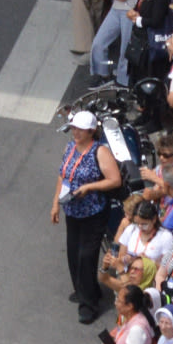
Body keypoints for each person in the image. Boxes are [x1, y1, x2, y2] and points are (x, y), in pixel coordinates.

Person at [56, 109, 124, 323]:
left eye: (80, 129)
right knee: (73, 255)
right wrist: (54, 205)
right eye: (74, 128)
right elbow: (62, 176)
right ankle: (85, 289)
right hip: (73, 210)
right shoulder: (70, 148)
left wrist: (89, 187)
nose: (75, 133)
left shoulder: (100, 151)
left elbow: (114, 180)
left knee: (87, 257)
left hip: (93, 212)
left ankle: (89, 304)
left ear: (91, 131)